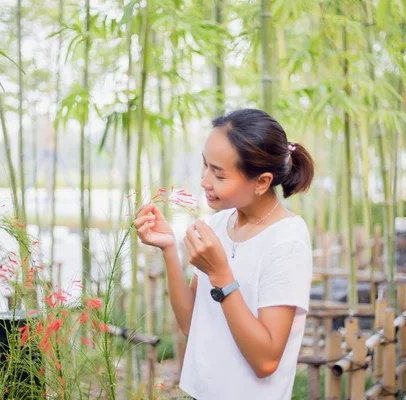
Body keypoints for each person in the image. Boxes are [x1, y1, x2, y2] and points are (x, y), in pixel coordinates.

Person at [134, 108, 315, 400]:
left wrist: (221, 275)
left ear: (261, 182)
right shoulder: (217, 224)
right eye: (205, 166)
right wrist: (168, 247)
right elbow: (192, 324)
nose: (205, 180)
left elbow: (266, 360)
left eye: (219, 174)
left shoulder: (287, 240)